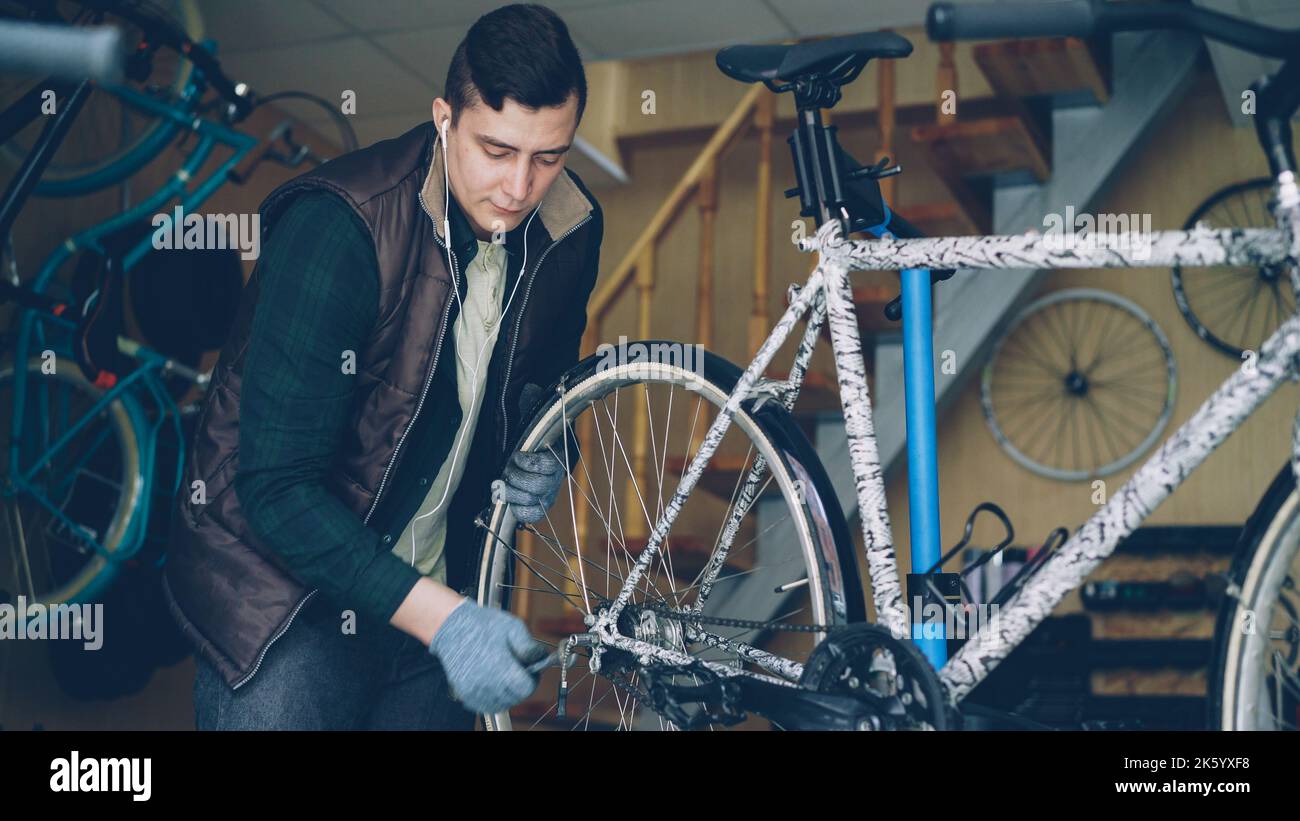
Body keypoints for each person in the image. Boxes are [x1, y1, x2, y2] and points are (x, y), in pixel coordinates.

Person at [163, 3, 603, 730]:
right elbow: (275, 490)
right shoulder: (339, 227)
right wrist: (449, 621)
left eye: (549, 157)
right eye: (497, 151)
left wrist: (551, 447)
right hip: (290, 599)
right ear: (443, 119)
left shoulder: (568, 230)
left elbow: (544, 386)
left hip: (439, 594)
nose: (521, 188)